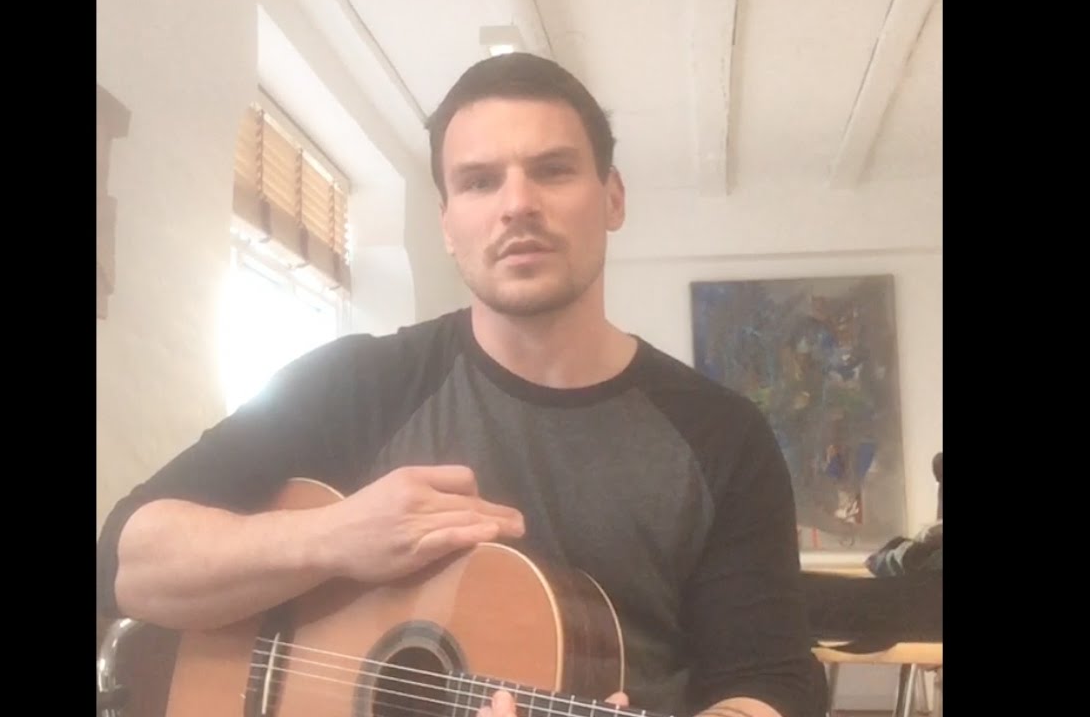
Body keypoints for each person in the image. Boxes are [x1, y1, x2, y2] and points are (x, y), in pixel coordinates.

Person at [96, 52, 826, 717]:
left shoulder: (722, 436)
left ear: (613, 198)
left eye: (553, 170)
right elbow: (123, 562)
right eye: (479, 181)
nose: (517, 204)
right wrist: (335, 537)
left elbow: (771, 685)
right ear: (447, 223)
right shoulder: (353, 384)